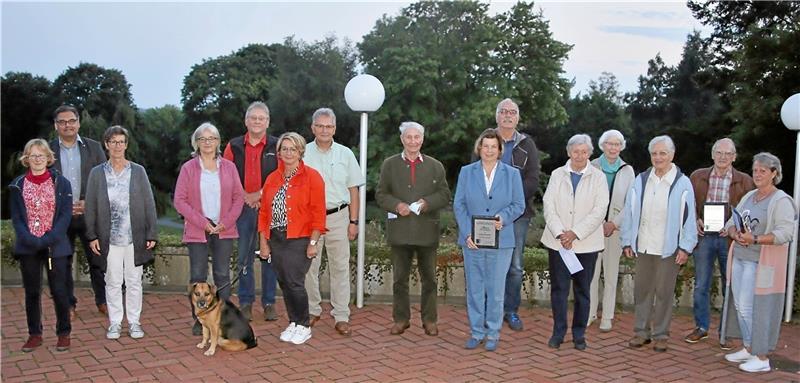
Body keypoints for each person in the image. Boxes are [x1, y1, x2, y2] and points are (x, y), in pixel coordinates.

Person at [720, 153, 796, 373]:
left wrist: (754, 239)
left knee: (752, 307)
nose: (758, 174)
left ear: (774, 173)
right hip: (741, 259)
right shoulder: (750, 196)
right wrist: (734, 232)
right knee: (739, 305)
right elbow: (732, 221)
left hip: (761, 263)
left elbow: (785, 233)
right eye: (755, 170)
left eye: (763, 170)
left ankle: (761, 356)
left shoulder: (781, 200)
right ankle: (748, 346)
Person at [621, 135, 698, 352]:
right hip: (644, 245)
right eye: (654, 153)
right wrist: (627, 240)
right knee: (642, 291)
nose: (658, 157)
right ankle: (641, 333)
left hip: (669, 249)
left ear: (672, 155)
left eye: (663, 153)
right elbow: (630, 212)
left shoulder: (682, 183)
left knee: (664, 293)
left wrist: (685, 247)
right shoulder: (641, 180)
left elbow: (689, 217)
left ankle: (661, 335)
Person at [376, 121, 451, 336]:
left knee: (430, 279)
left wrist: (426, 203)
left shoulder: (435, 165)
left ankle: (430, 320)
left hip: (426, 231)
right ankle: (401, 319)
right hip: (399, 231)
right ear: (402, 139)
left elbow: (445, 195)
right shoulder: (389, 165)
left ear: (422, 139)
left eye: (416, 137)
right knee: (400, 279)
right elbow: (381, 194)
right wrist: (396, 205)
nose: (412, 141)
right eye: (408, 137)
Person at [454, 130, 524, 351]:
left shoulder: (512, 174)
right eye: (486, 146)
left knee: (495, 290)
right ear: (479, 148)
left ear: (500, 150)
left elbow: (519, 205)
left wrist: (502, 218)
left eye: (494, 147)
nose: (490, 150)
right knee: (475, 289)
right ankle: (476, 332)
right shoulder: (466, 172)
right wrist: (467, 233)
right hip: (472, 241)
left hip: (501, 241)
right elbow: (459, 205)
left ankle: (493, 333)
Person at [85, 126, 158, 340]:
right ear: (106, 145)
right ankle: (115, 323)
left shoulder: (138, 171)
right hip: (109, 238)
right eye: (113, 142)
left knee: (134, 280)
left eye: (121, 142)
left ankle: (134, 322)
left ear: (126, 145)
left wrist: (151, 233)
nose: (117, 146)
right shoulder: (97, 173)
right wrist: (91, 235)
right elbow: (90, 206)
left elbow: (148, 203)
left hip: (134, 237)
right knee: (113, 280)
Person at [174, 123, 245, 335]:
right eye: (202, 139)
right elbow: (180, 201)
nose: (207, 142)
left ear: (218, 142)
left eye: (211, 138)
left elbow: (238, 198)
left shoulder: (229, 168)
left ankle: (222, 318)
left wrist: (226, 222)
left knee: (222, 274)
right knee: (197, 275)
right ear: (196, 143)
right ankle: (200, 318)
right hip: (198, 229)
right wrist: (203, 223)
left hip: (224, 228)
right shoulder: (188, 168)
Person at [541, 134, 609, 350]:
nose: (579, 155)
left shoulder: (598, 177)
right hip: (559, 243)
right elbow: (548, 205)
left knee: (583, 291)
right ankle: (558, 333)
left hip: (586, 244)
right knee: (559, 290)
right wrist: (562, 233)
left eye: (584, 151)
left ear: (590, 153)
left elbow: (600, 210)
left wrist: (575, 233)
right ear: (569, 152)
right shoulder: (556, 174)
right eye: (575, 151)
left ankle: (579, 334)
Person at [257, 132, 326, 345]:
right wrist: (263, 242)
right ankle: (294, 322)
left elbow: (318, 212)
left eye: (292, 149)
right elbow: (264, 214)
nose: (288, 153)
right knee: (284, 281)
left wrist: (313, 242)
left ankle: (304, 324)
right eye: (284, 149)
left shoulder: (312, 176)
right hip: (276, 237)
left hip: (301, 237)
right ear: (278, 153)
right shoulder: (272, 178)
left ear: (300, 152)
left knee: (295, 281)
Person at [685, 138, 754, 347]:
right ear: (712, 154)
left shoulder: (745, 181)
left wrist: (733, 226)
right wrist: (694, 218)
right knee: (701, 285)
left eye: (728, 154)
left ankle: (726, 330)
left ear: (734, 157)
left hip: (729, 240)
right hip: (704, 237)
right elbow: (688, 204)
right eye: (719, 153)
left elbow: (748, 211)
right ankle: (702, 327)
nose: (723, 157)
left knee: (730, 285)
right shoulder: (697, 176)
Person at [303, 108, 364, 336]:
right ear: (313, 128)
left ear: (335, 129)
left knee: (340, 267)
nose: (324, 130)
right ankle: (312, 310)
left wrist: (353, 221)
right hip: (311, 220)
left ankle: (341, 316)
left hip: (338, 216)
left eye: (328, 126)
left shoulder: (346, 154)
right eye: (320, 126)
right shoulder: (303, 153)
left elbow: (354, 189)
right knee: (310, 267)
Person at [9, 139, 74, 352]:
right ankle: (34, 334)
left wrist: (48, 239)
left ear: (48, 158)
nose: (37, 159)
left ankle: (64, 333)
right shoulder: (17, 185)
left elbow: (65, 216)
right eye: (33, 155)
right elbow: (17, 217)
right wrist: (29, 239)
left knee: (60, 291)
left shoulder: (61, 183)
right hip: (28, 246)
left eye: (41, 155)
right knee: (32, 292)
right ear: (26, 159)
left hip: (55, 245)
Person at [48, 105, 108, 318]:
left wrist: (88, 203)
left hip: (89, 215)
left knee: (99, 260)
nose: (68, 125)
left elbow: (105, 181)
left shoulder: (94, 148)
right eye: (62, 121)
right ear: (56, 125)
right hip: (60, 218)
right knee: (61, 263)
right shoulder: (47, 151)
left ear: (78, 123)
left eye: (71, 120)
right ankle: (68, 305)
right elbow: (40, 185)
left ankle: (103, 301)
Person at [222, 101, 279, 322]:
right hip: (242, 208)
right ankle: (245, 302)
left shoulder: (277, 145)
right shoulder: (233, 146)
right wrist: (244, 196)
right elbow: (226, 175)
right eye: (253, 118)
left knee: (269, 255)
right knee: (244, 256)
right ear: (246, 121)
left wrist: (260, 194)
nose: (257, 121)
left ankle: (269, 302)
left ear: (267, 122)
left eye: (261, 118)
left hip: (270, 207)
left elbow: (282, 174)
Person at [494, 98, 540, 331]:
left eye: (512, 112)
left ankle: (510, 311)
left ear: (518, 117)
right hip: (488, 214)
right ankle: (491, 309)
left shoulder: (527, 144)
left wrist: (511, 202)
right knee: (491, 263)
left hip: (518, 215)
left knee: (515, 266)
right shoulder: (486, 141)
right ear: (497, 116)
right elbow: (474, 173)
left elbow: (533, 179)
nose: (508, 116)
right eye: (503, 111)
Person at [587, 129, 635, 332]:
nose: (613, 147)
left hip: (615, 230)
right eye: (609, 143)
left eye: (617, 144)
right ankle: (589, 313)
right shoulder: (591, 166)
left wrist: (614, 223)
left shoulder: (628, 170)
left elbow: (631, 203)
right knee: (591, 273)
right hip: (591, 230)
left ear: (621, 147)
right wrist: (595, 223)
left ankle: (607, 316)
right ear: (602, 145)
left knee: (611, 274)